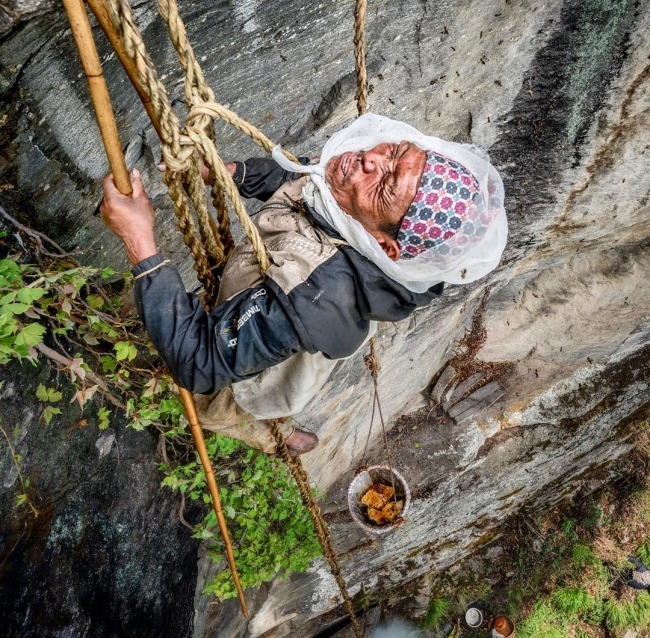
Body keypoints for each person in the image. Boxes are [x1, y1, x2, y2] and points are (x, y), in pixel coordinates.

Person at [101, 113, 507, 456]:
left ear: (385, 245)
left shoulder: (318, 296)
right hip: (281, 319)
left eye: (386, 184)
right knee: (267, 372)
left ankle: (277, 438)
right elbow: (301, 179)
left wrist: (140, 242)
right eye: (396, 151)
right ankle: (282, 426)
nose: (370, 159)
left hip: (281, 339)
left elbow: (199, 361)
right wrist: (230, 175)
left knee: (222, 406)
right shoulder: (350, 193)